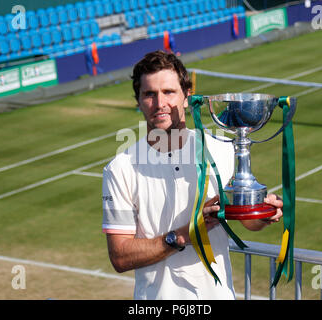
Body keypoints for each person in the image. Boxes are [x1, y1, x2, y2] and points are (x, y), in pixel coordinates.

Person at [102, 50, 283, 300]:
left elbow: (247, 222)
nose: (160, 103)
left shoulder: (221, 149)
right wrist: (185, 234)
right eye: (149, 94)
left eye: (169, 92)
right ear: (139, 101)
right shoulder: (120, 169)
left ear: (186, 97)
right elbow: (120, 256)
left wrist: (261, 212)